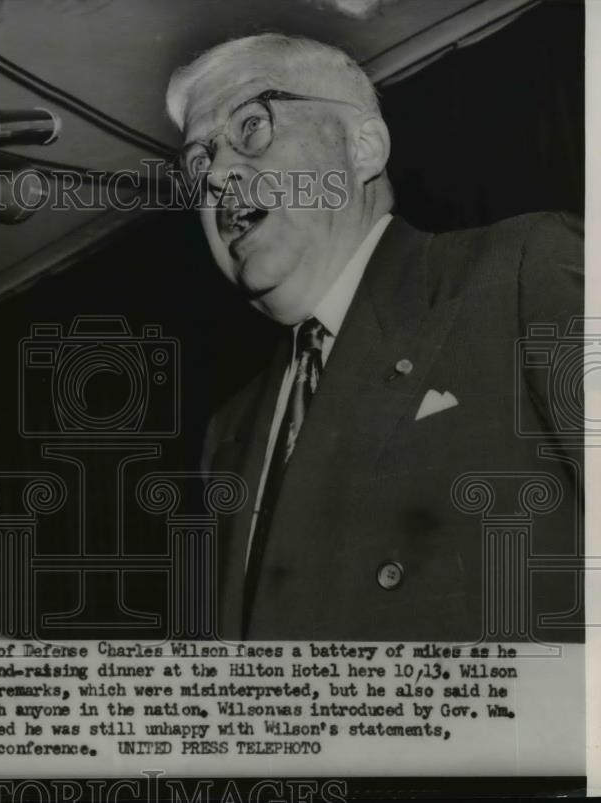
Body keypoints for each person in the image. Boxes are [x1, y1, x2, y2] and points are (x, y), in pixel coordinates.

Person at [166, 33, 583, 643]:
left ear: (363, 148)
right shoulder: (229, 434)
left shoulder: (521, 271)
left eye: (252, 127)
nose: (219, 176)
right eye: (198, 163)